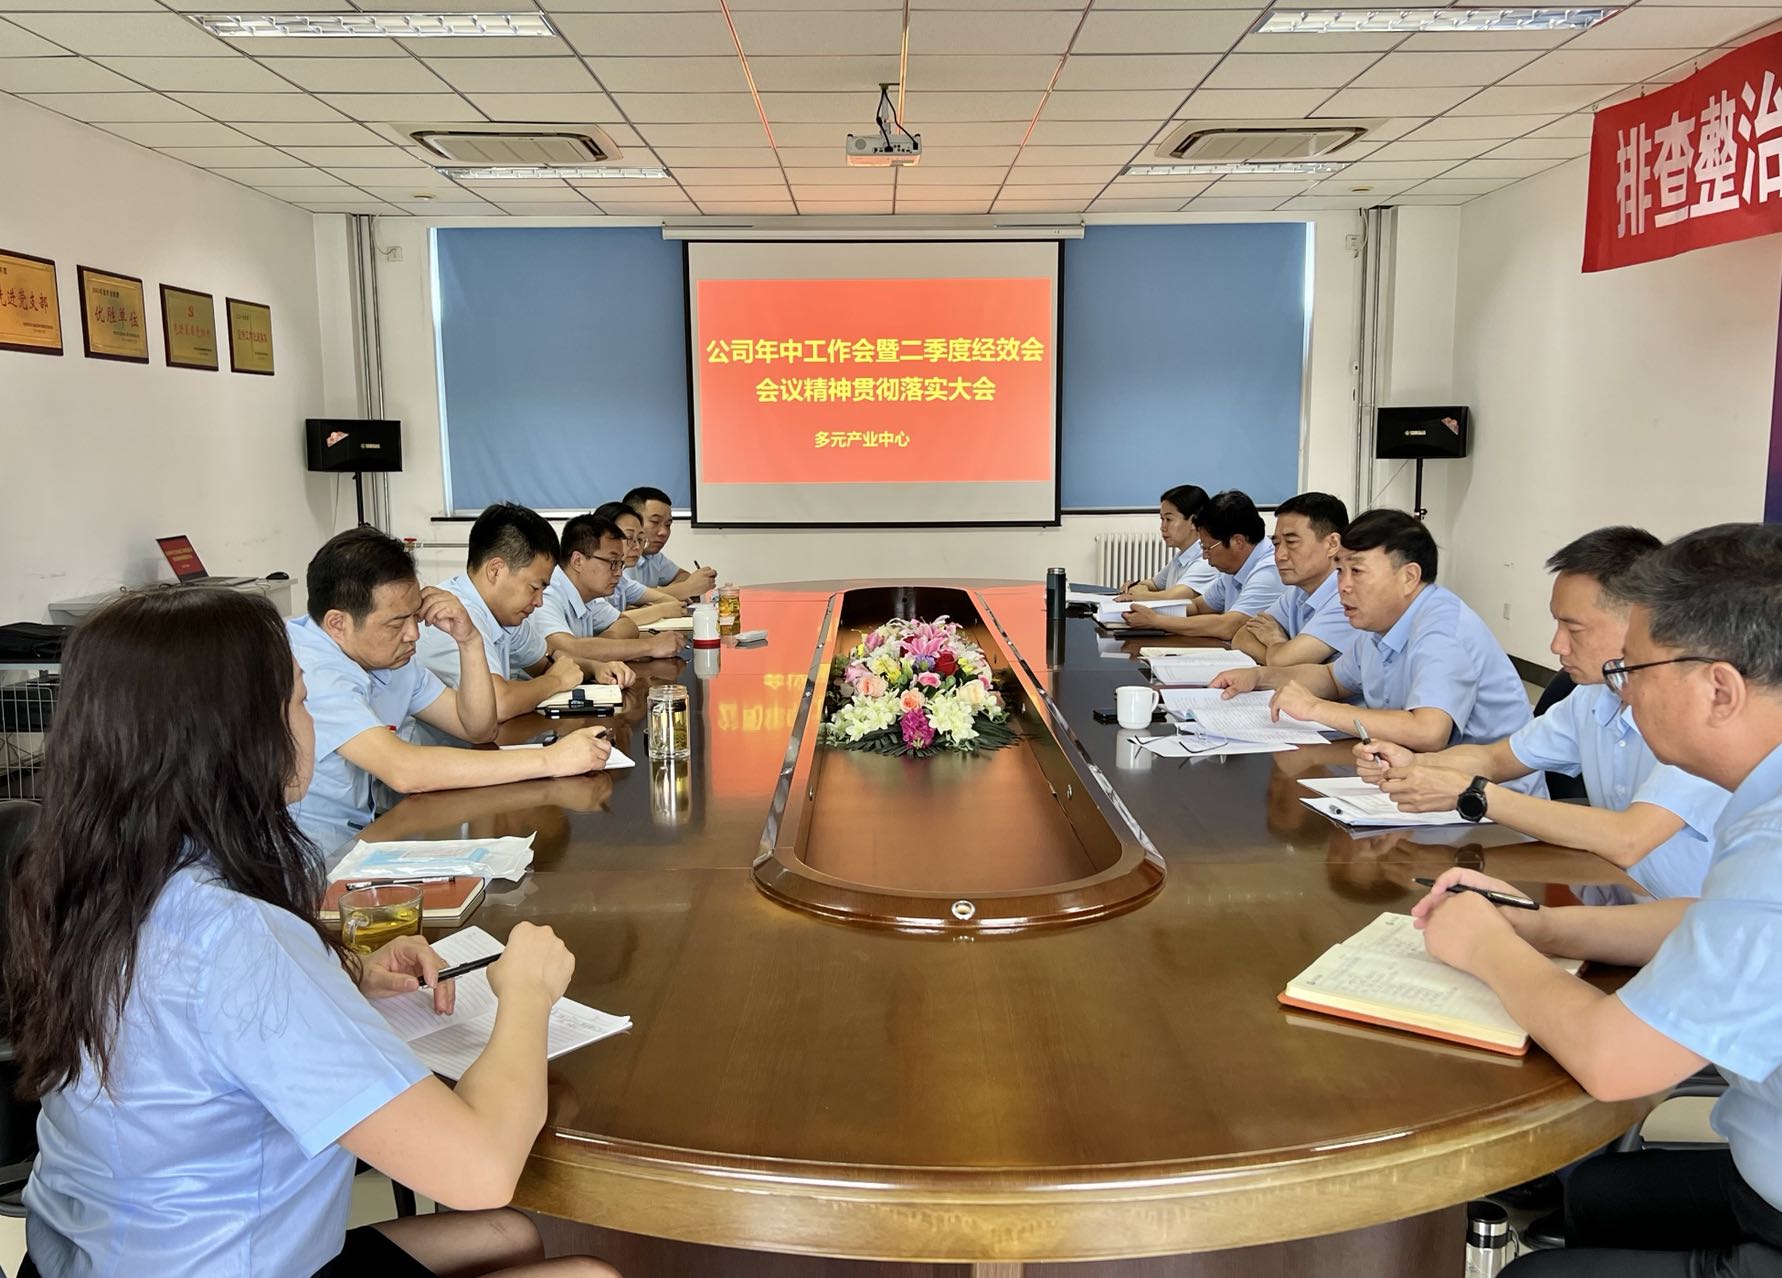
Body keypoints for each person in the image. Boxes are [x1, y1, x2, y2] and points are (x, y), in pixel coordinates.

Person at [8, 587, 616, 1278]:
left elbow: (180, 1019)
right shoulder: (236, 937)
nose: (313, 723)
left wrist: (343, 974)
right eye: (300, 701)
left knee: (505, 1236)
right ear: (237, 734)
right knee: (588, 1274)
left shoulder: (91, 880)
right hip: (213, 1263)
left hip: (82, 1256)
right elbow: (481, 1169)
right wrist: (527, 993)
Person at [1411, 523, 1782, 1275]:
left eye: (1632, 669)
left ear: (1721, 689)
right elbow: (1716, 921)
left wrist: (1486, 945)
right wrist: (1540, 929)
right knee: (1597, 1198)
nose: (1623, 690)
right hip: (1758, 1170)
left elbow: (1615, 1062)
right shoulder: (1760, 794)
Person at [1356, 527, 1726, 903]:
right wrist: (1416, 764)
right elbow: (1496, 758)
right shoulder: (1592, 696)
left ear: (1638, 623)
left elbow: (1629, 838)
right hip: (1618, 902)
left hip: (1692, 920)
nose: (1556, 645)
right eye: (1557, 624)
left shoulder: (1698, 714)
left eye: (1573, 629)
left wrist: (1473, 794)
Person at [286, 528, 613, 851]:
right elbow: (403, 770)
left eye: (415, 617)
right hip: (308, 858)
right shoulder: (310, 669)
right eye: (397, 623)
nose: (413, 634)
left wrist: (469, 640)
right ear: (338, 624)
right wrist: (550, 760)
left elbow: (478, 728)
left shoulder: (389, 657)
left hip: (362, 837)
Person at [1212, 509, 1536, 760]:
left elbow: (1428, 731)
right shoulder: (1380, 623)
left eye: (1357, 571)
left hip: (1489, 801)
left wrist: (1314, 709)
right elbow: (1333, 679)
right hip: (1415, 776)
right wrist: (1261, 677)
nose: (1343, 585)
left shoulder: (1443, 630)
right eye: (1340, 570)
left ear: (1409, 577)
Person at [415, 503, 633, 730]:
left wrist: (595, 668)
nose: (539, 601)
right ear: (496, 570)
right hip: (442, 749)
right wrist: (555, 681)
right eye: (534, 588)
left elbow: (546, 661)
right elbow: (497, 703)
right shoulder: (452, 617)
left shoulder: (505, 613)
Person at [1127, 489, 1284, 640]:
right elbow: (1198, 606)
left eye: (1207, 548)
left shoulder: (1270, 571)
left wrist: (1156, 621)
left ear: (1238, 542)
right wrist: (1148, 610)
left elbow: (1229, 626)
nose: (1204, 555)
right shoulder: (1234, 567)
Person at [534, 513, 682, 667]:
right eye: (612, 562)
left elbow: (626, 624)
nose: (618, 572)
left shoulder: (587, 594)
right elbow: (565, 651)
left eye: (620, 563)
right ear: (578, 560)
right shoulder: (545, 594)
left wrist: (601, 647)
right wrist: (650, 646)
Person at [1232, 491, 1355, 666]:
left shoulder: (1346, 597)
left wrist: (1275, 640)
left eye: (1291, 542)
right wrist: (1281, 654)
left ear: (1332, 544)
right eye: (1276, 544)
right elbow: (1242, 637)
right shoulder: (1299, 590)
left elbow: (1283, 662)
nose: (1279, 555)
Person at [591, 500, 687, 628]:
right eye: (629, 538)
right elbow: (612, 620)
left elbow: (669, 601)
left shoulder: (621, 579)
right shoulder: (589, 579)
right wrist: (659, 610)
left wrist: (645, 610)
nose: (637, 547)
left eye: (640, 539)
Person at [1117, 484, 1218, 601]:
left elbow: (1173, 597)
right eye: (1162, 519)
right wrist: (1135, 585)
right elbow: (1155, 584)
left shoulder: (1207, 559)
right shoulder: (1181, 555)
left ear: (1194, 521)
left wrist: (1139, 594)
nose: (1162, 527)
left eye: (1169, 519)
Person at [622, 485, 716, 602]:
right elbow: (628, 597)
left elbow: (683, 576)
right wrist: (684, 589)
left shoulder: (653, 556)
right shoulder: (619, 558)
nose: (664, 532)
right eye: (655, 521)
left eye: (668, 525)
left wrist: (670, 593)